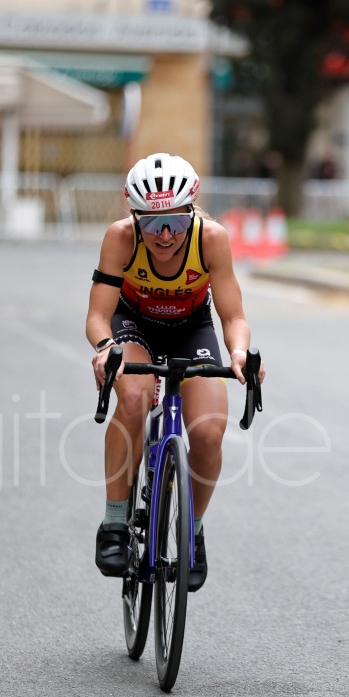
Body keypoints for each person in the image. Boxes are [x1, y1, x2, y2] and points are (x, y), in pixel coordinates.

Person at [86, 153, 265, 592]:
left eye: (176, 222)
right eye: (151, 222)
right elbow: (98, 317)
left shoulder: (211, 239)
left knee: (207, 433)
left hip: (191, 329)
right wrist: (106, 349)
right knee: (133, 397)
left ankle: (193, 531)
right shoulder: (120, 238)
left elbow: (233, 317)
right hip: (133, 325)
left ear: (192, 213)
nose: (164, 234)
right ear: (134, 217)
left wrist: (239, 352)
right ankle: (114, 522)